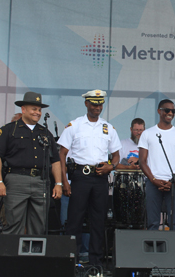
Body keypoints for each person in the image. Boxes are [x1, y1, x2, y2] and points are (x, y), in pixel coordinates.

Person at [58, 89, 121, 267]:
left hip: (100, 177)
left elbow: (116, 155)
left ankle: (96, 262)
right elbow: (62, 154)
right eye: (94, 104)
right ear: (86, 104)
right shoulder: (75, 125)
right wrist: (64, 182)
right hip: (80, 176)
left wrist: (112, 166)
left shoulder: (108, 127)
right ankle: (72, 260)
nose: (97, 108)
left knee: (98, 220)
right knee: (75, 220)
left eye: (100, 104)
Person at [0, 92, 62, 235]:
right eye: (34, 109)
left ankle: (33, 257)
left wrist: (58, 184)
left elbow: (55, 161)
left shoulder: (45, 133)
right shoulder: (9, 129)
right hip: (16, 180)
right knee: (13, 225)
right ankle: (11, 257)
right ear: (23, 109)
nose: (38, 113)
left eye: (39, 110)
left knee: (38, 226)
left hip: (41, 182)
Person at [138, 99, 175, 231]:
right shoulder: (147, 133)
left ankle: (174, 250)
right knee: (152, 222)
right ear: (159, 111)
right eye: (167, 110)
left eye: (173, 111)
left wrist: (174, 180)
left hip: (173, 183)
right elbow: (142, 161)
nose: (170, 113)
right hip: (153, 182)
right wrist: (153, 180)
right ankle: (152, 250)